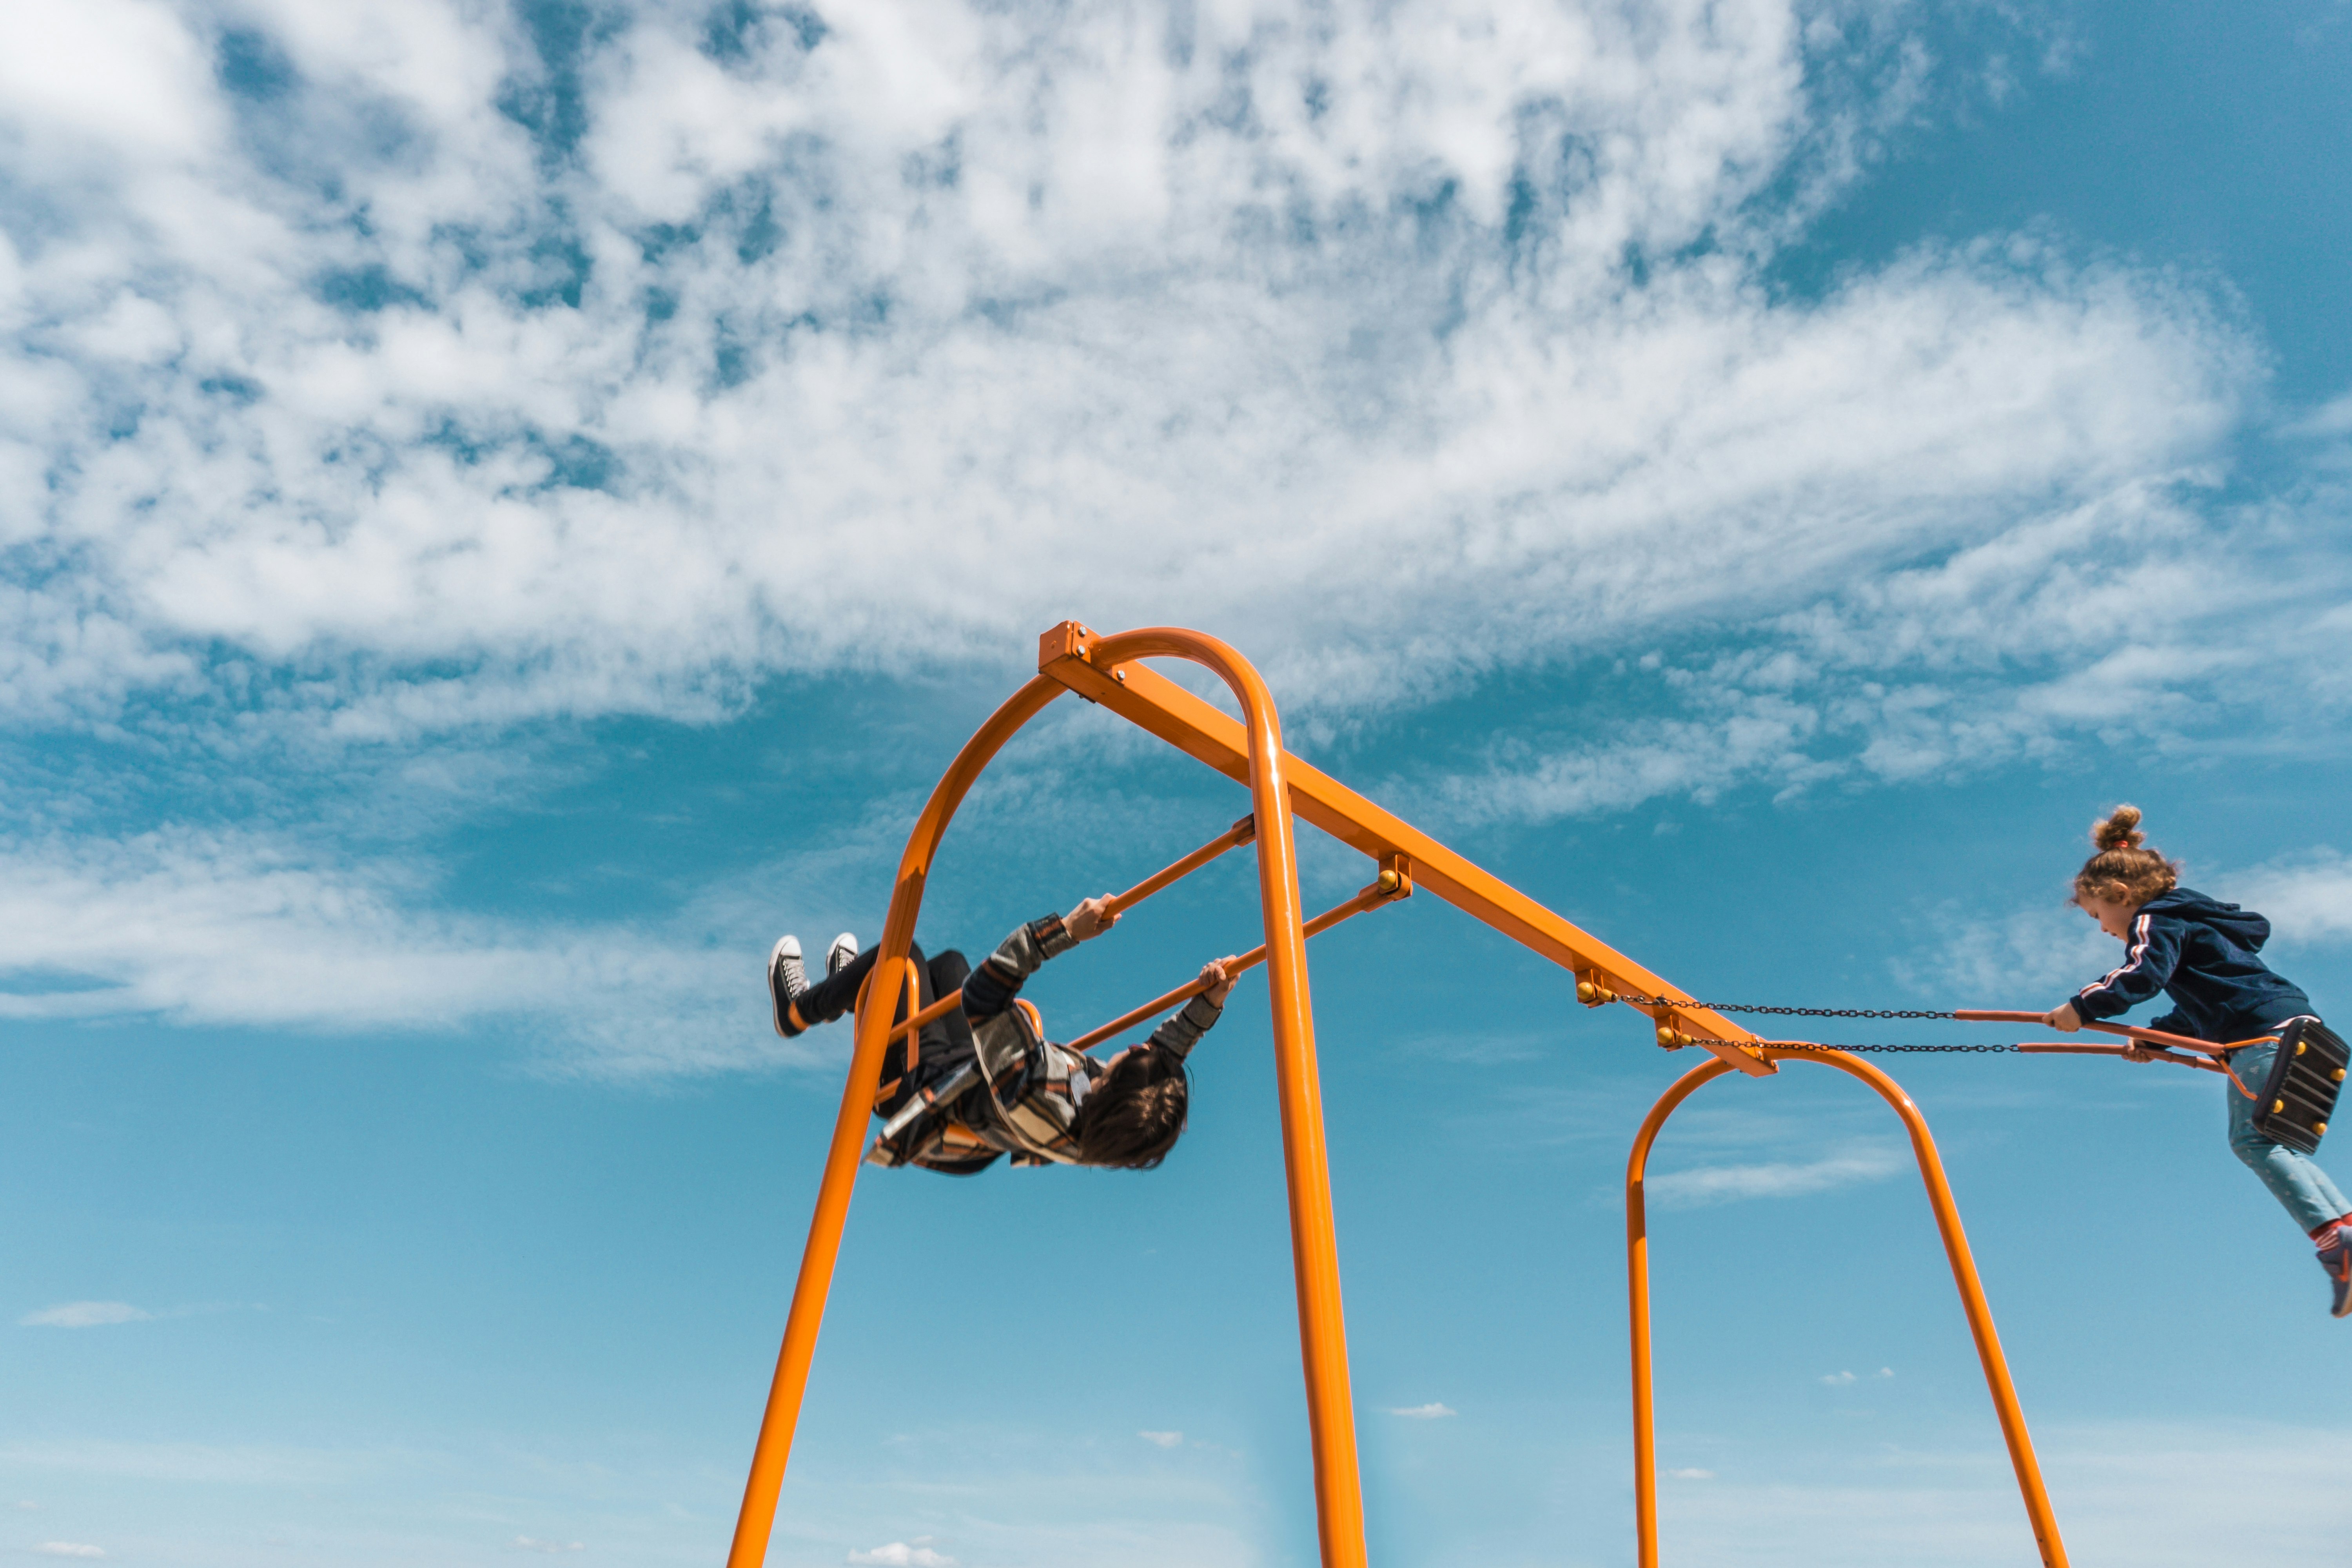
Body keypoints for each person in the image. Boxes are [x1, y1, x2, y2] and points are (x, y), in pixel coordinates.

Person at [2043, 805, 2352, 1317]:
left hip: (2261, 1038)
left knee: (2251, 1141)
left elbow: (2142, 975)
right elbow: (2203, 1006)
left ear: (2121, 897)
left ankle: (2334, 1239)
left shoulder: (2155, 918)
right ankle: (2342, 1230)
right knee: (2275, 1144)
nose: (2103, 930)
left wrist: (2081, 1007)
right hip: (2300, 1032)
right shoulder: (2199, 927)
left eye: (2098, 916)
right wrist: (2156, 1038)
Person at [767, 895, 1236, 1173]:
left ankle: (797, 1012)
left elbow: (985, 995)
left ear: (1111, 1090)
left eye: (1135, 1059)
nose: (1138, 1047)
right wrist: (1210, 1002)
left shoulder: (1038, 1087)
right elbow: (1159, 1062)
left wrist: (1066, 931)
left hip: (920, 1096)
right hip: (970, 1091)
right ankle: (849, 990)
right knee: (948, 963)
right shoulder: (1108, 1129)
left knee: (902, 958)